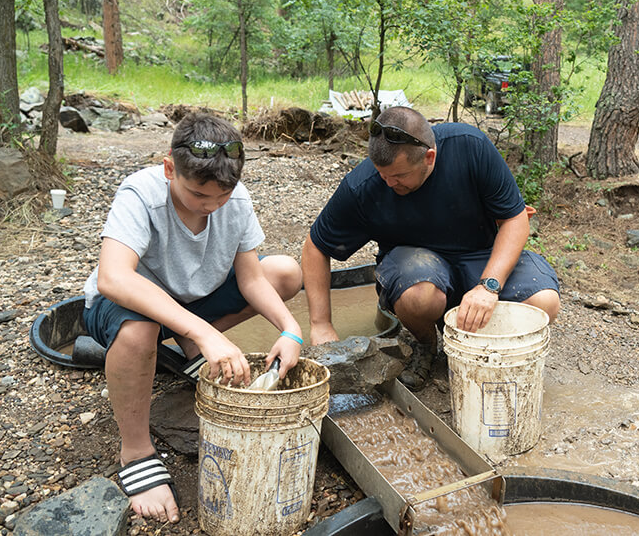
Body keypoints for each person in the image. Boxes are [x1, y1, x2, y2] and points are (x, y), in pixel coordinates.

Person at [82, 113, 305, 523]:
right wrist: (203, 331)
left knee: (285, 272)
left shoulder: (234, 201)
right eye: (200, 196)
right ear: (170, 168)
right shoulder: (141, 193)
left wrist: (293, 330)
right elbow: (114, 277)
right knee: (138, 332)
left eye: (222, 196)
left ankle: (188, 342)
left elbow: (253, 279)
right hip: (126, 308)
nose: (212, 206)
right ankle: (135, 450)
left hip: (190, 306)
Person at [301, 106, 560, 391]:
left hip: (480, 257)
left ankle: (483, 348)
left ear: (429, 157)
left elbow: (515, 218)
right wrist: (321, 323)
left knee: (544, 303)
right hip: (415, 266)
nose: (388, 183)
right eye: (382, 174)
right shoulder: (363, 186)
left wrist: (489, 286)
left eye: (399, 176)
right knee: (419, 296)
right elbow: (315, 246)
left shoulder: (470, 147)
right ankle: (425, 344)